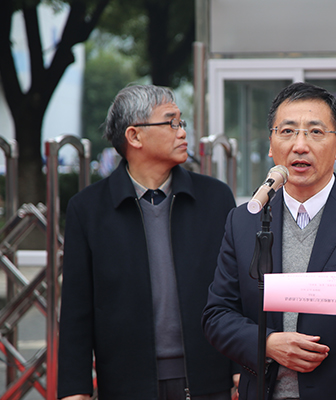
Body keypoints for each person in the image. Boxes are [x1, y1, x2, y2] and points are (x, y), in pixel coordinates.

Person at [202, 82, 336, 400]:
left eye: (316, 132)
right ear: (271, 144)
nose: (300, 145)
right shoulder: (244, 220)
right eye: (287, 132)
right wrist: (267, 343)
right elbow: (217, 315)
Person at [57, 85, 237, 400]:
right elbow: (76, 309)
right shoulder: (88, 209)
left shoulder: (215, 198)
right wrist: (75, 390)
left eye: (181, 122)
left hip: (209, 381)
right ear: (134, 136)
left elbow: (236, 290)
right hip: (127, 385)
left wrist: (242, 365)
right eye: (171, 122)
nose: (182, 132)